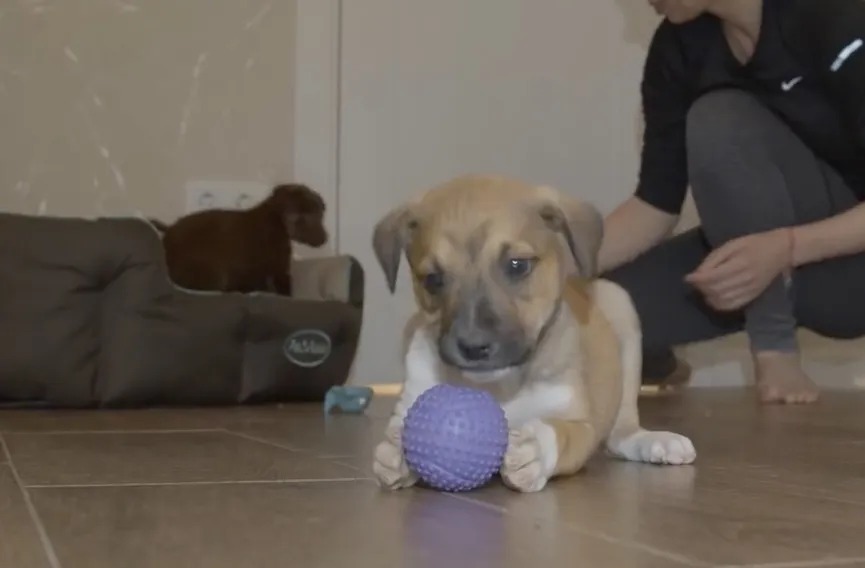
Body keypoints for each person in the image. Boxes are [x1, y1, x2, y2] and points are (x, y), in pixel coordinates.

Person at [600, 0, 865, 404]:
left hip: (849, 270)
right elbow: (653, 210)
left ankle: (774, 349)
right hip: (766, 261)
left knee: (720, 119)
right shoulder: (679, 48)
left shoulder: (835, 17)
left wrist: (786, 247)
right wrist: (551, 265)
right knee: (601, 315)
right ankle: (651, 364)